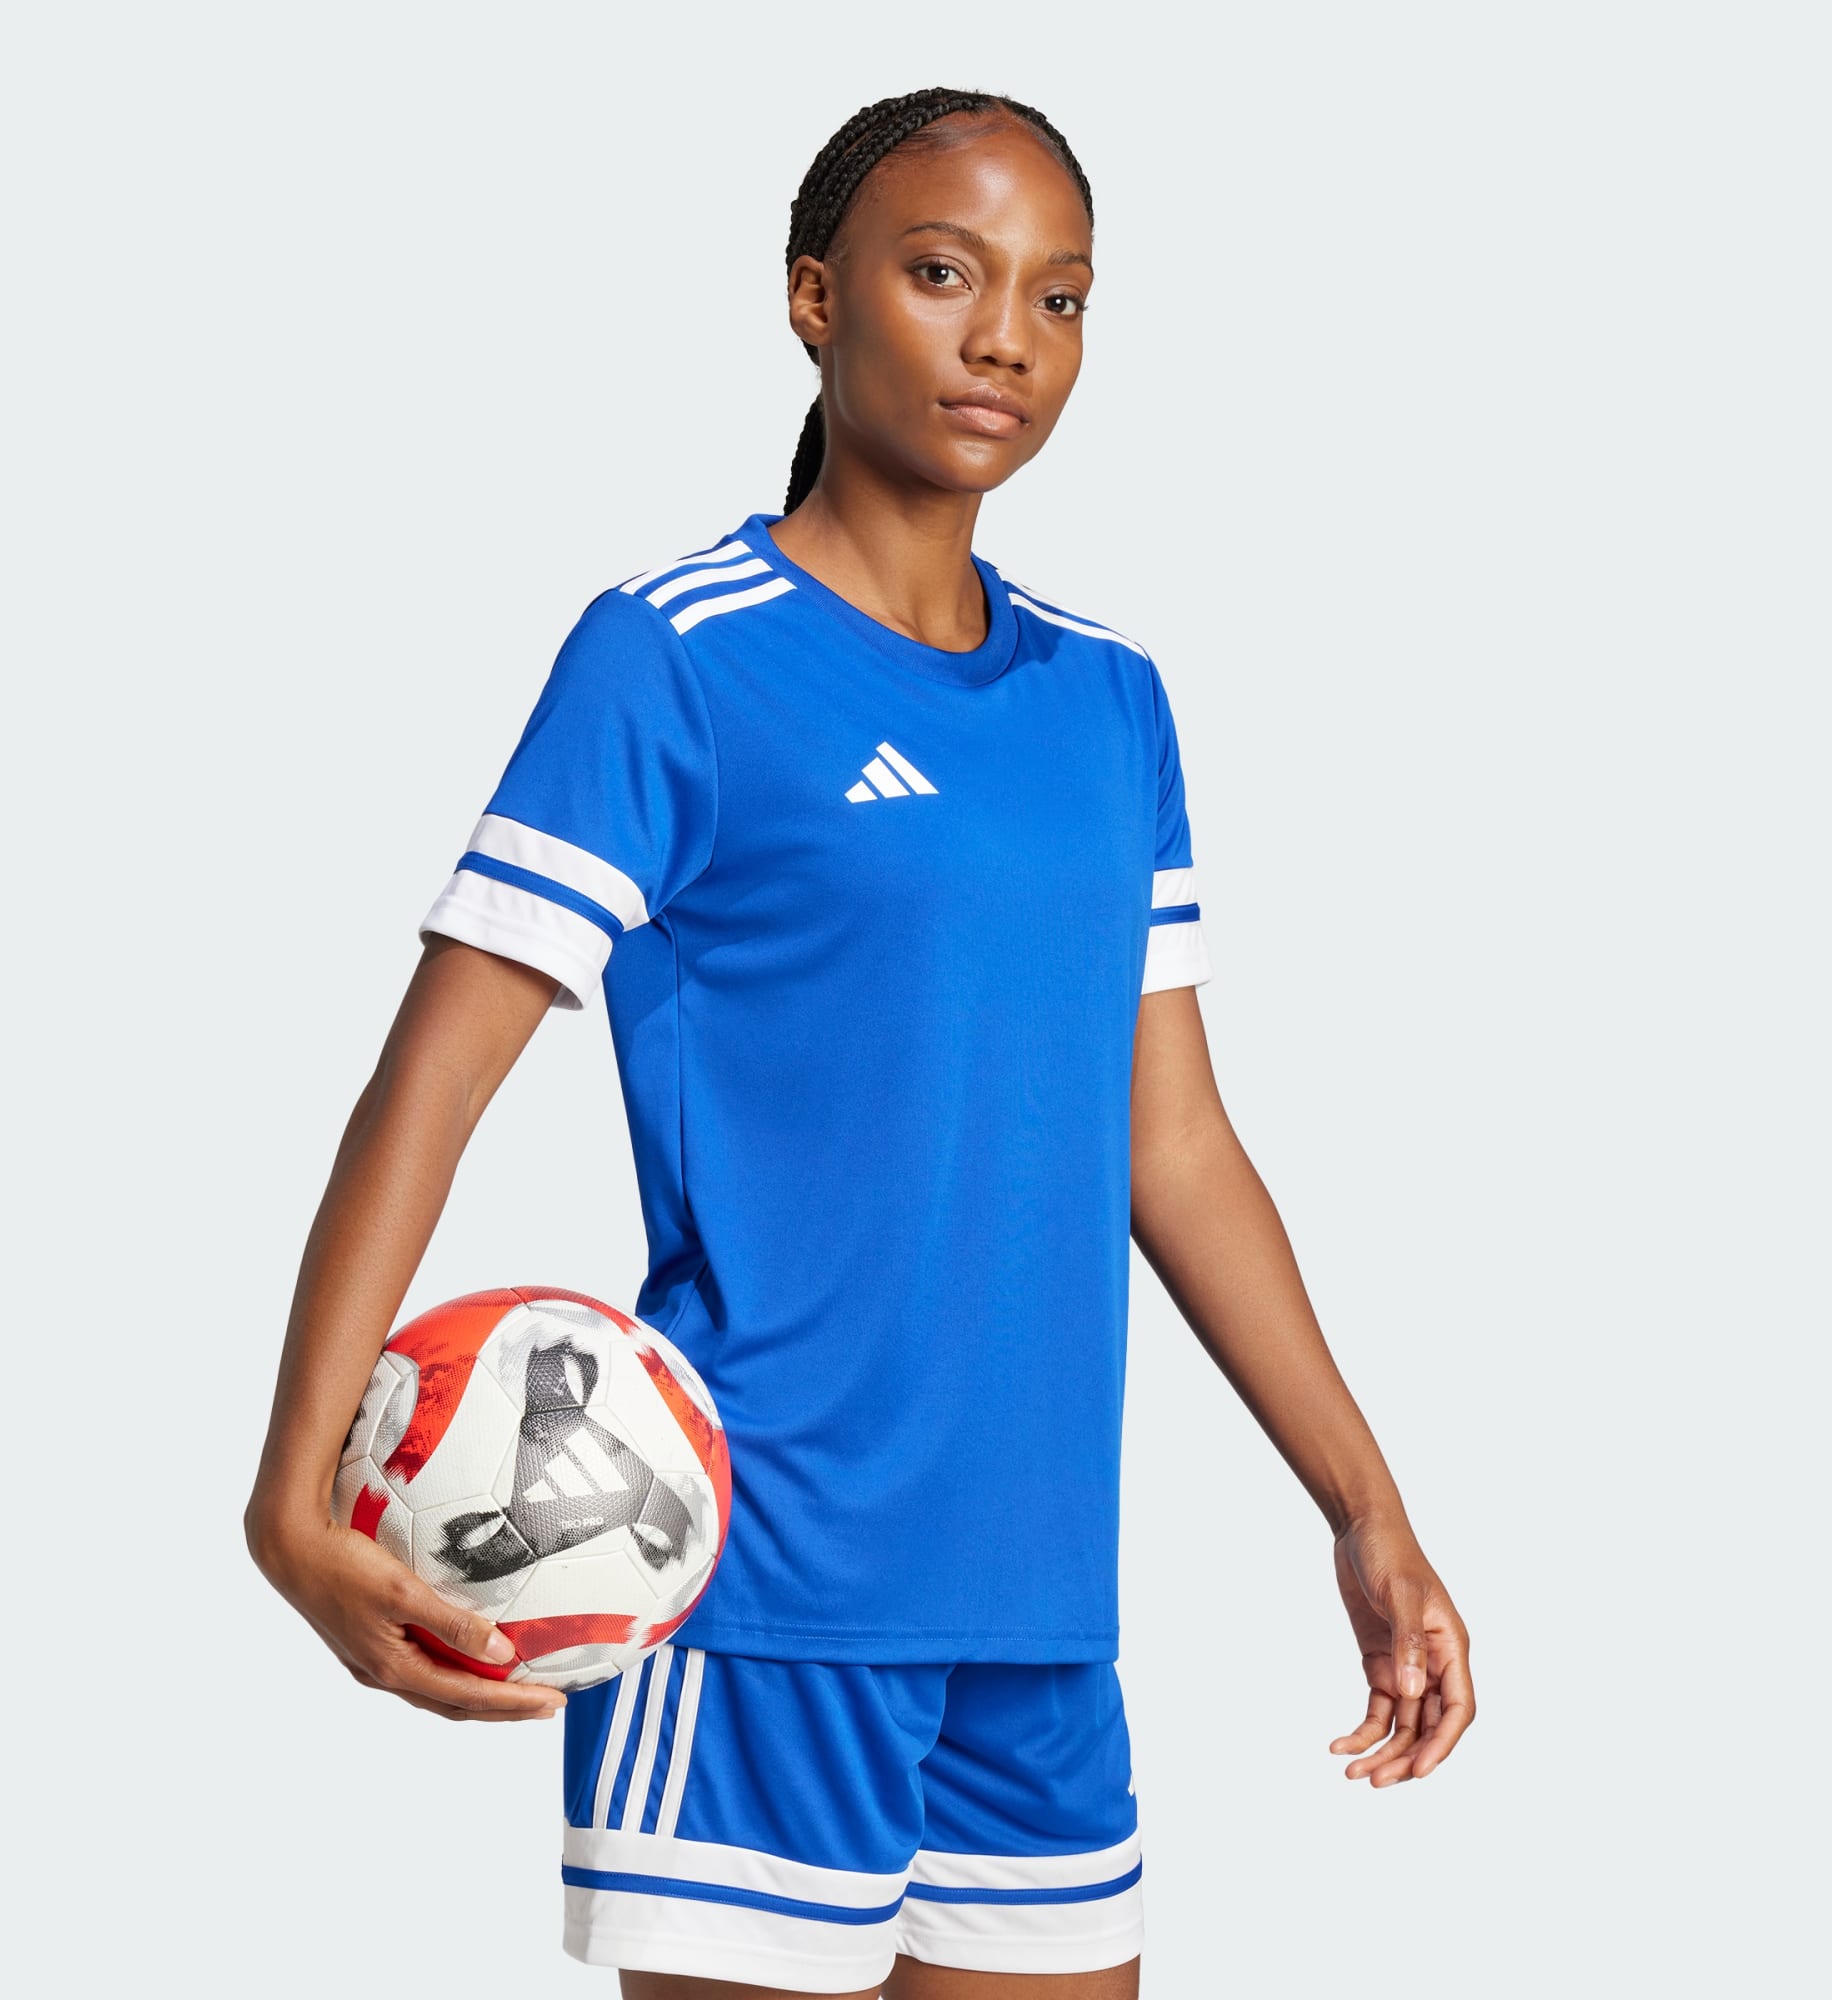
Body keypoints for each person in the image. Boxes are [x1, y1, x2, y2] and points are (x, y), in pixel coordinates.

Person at [244, 84, 1475, 2000]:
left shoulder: (1111, 702)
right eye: (943, 273)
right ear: (815, 298)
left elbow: (1174, 1149)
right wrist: (289, 1487)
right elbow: (438, 1076)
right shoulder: (679, 653)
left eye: (1060, 296)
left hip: (1039, 1611)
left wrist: (1367, 1509)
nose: (1008, 339)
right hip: (753, 1591)